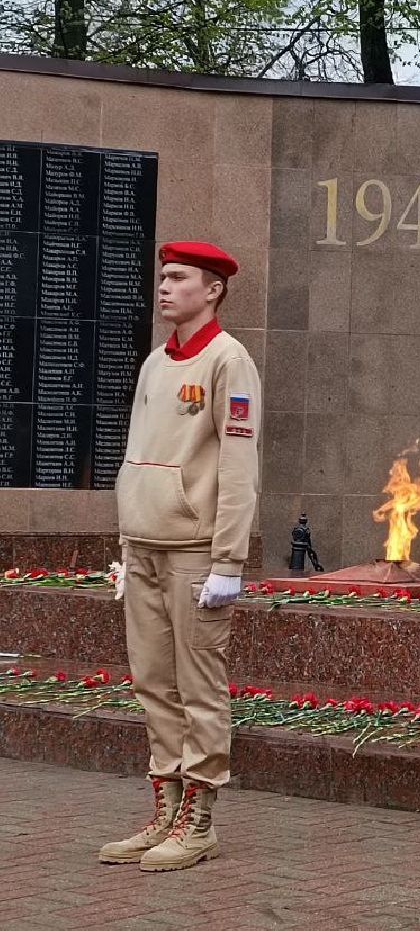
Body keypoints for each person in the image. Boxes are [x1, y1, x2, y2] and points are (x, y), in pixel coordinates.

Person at [100, 241, 260, 871]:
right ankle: (164, 810)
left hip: (195, 552)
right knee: (153, 684)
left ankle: (199, 822)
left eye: (178, 278)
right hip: (143, 546)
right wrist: (124, 542)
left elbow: (238, 464)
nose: (164, 287)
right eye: (162, 277)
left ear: (213, 288)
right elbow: (136, 454)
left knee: (198, 688)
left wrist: (229, 559)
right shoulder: (155, 362)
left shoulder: (229, 361)